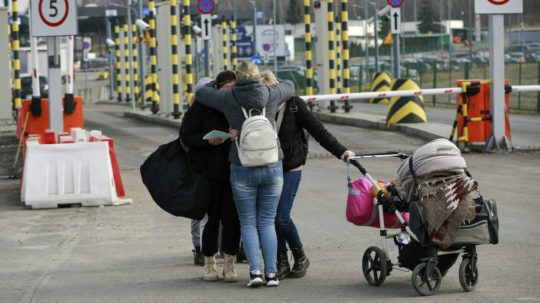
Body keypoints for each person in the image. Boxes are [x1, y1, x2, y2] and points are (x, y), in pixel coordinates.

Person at [195, 61, 295, 288]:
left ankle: (256, 272)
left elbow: (201, 93)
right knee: (267, 222)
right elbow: (290, 86)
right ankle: (272, 274)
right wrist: (272, 81)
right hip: (272, 165)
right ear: (257, 75)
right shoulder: (270, 93)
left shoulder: (229, 98)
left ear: (237, 78)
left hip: (242, 165)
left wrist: (216, 83)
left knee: (248, 222)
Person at [260, 70, 355, 279]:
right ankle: (281, 261)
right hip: (268, 167)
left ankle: (300, 256)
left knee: (280, 216)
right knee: (271, 217)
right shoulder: (260, 107)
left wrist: (341, 151)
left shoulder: (295, 105)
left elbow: (318, 130)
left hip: (292, 166)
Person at [180, 71, 241, 282]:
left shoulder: (239, 104)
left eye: (234, 89)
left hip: (236, 170)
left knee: (233, 220)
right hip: (210, 173)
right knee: (212, 220)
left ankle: (230, 264)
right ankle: (209, 263)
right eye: (227, 90)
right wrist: (208, 141)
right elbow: (186, 136)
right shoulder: (202, 106)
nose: (230, 94)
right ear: (218, 88)